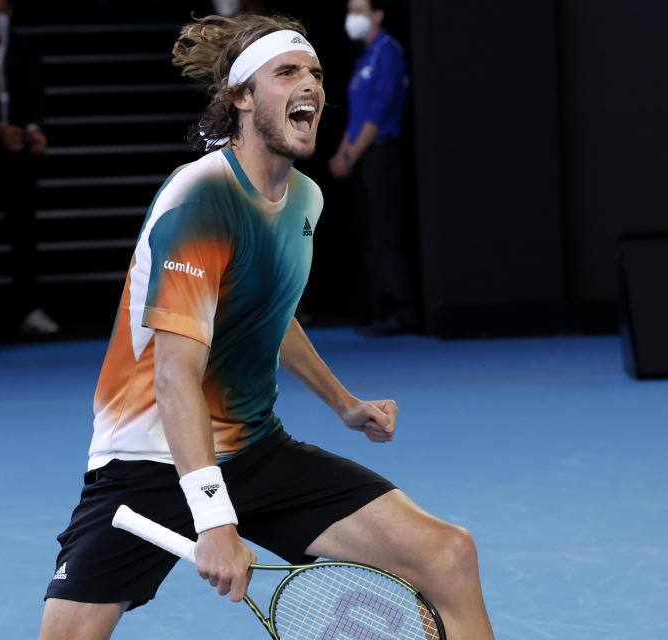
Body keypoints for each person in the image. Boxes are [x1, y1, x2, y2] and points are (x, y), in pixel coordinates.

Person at [37, 13, 495, 640]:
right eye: (287, 72)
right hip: (151, 458)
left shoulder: (305, 199)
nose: (310, 84)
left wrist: (342, 404)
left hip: (255, 450)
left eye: (315, 72)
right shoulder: (201, 201)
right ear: (242, 98)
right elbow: (174, 377)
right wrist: (214, 520)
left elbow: (267, 312)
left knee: (448, 554)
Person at [329, 0, 419, 336]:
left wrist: (350, 156)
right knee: (369, 229)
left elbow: (376, 113)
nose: (352, 17)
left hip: (380, 150)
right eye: (349, 9)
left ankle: (401, 308)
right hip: (362, 153)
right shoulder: (365, 57)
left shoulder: (388, 52)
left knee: (385, 229)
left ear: (379, 14)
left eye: (360, 10)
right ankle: (377, 305)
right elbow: (355, 114)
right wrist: (342, 153)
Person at [0, 0, 59, 335]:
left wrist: (34, 129)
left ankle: (28, 309)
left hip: (20, 158)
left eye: (3, 9)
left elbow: (34, 97)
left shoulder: (25, 50)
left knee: (23, 233)